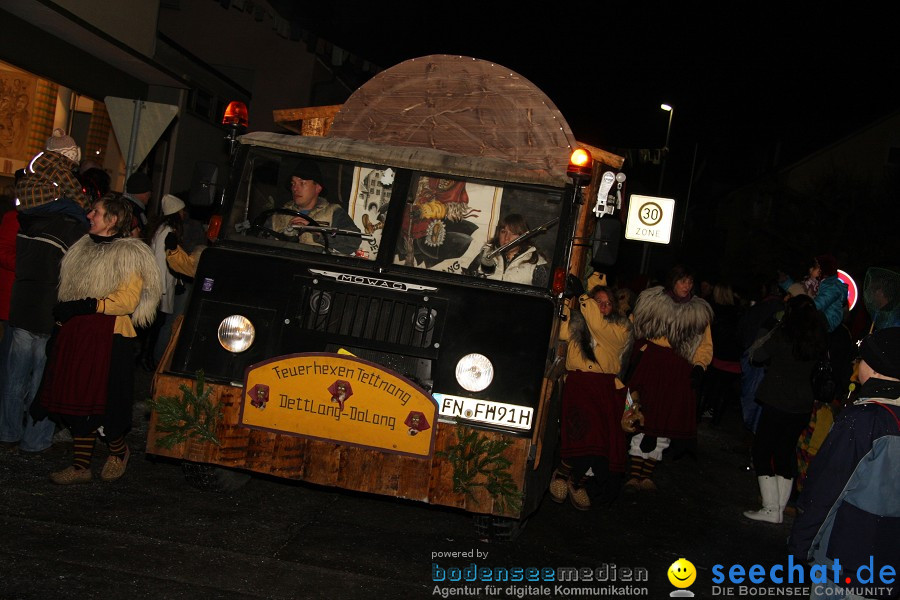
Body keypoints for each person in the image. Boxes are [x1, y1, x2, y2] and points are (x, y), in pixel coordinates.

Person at [35, 193, 160, 484]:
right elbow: (68, 295)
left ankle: (118, 452)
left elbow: (127, 302)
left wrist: (88, 305)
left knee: (105, 407)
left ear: (113, 220)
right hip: (78, 335)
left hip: (109, 339)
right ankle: (81, 468)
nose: (89, 215)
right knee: (76, 401)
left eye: (96, 212)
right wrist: (61, 324)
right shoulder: (82, 248)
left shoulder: (130, 254)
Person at [789, 327, 900, 600]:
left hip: (845, 556)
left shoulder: (864, 420)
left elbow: (828, 486)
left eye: (861, 359)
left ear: (873, 368)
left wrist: (801, 545)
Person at [0, 134, 89, 454]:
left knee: (14, 374)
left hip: (23, 304)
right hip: (49, 307)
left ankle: (8, 432)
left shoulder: (24, 219)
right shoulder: (71, 225)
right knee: (43, 378)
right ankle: (35, 438)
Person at [550, 272, 634, 510]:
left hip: (604, 388)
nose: (604, 307)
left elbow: (597, 325)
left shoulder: (620, 328)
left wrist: (585, 296)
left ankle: (575, 479)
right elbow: (561, 331)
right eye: (600, 303)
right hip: (579, 385)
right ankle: (563, 475)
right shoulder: (579, 322)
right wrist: (566, 300)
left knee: (600, 442)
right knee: (581, 434)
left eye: (608, 303)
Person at [625, 264, 713, 491]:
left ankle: (646, 476)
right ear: (673, 281)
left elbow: (705, 344)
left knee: (664, 421)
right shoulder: (652, 301)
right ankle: (634, 475)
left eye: (690, 282)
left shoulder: (699, 311)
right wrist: (639, 351)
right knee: (639, 415)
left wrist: (699, 367)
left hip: (678, 370)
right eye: (683, 281)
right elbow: (632, 326)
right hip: (650, 366)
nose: (687, 285)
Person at [742, 294, 828, 524]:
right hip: (802, 404)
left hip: (777, 400)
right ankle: (779, 507)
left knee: (762, 450)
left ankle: (771, 508)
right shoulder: (817, 340)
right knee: (784, 452)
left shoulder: (784, 333)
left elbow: (758, 356)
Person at [270, 160, 361, 255]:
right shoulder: (278, 215)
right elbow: (260, 240)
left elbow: (353, 241)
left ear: (318, 188)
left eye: (302, 183)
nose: (295, 189)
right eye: (293, 184)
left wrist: (318, 232)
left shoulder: (333, 212)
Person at [147, 194, 189, 367]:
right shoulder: (167, 232)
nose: (184, 213)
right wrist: (161, 289)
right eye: (182, 210)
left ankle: (148, 358)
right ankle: (148, 359)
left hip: (161, 285)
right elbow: (160, 262)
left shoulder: (162, 228)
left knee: (156, 326)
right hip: (159, 287)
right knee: (156, 326)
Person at [699, 282, 744, 424]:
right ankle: (716, 419)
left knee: (708, 387)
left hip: (717, 355)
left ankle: (698, 415)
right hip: (734, 357)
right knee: (724, 389)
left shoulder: (713, 311)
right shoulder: (739, 311)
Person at [468, 214, 549, 286]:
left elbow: (542, 297)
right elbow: (468, 281)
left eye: (513, 233)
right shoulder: (486, 254)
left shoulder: (536, 262)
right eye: (503, 232)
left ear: (523, 236)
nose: (507, 238)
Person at [122, 171, 152, 238]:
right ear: (144, 192)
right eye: (149, 192)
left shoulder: (124, 205)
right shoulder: (133, 210)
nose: (150, 196)